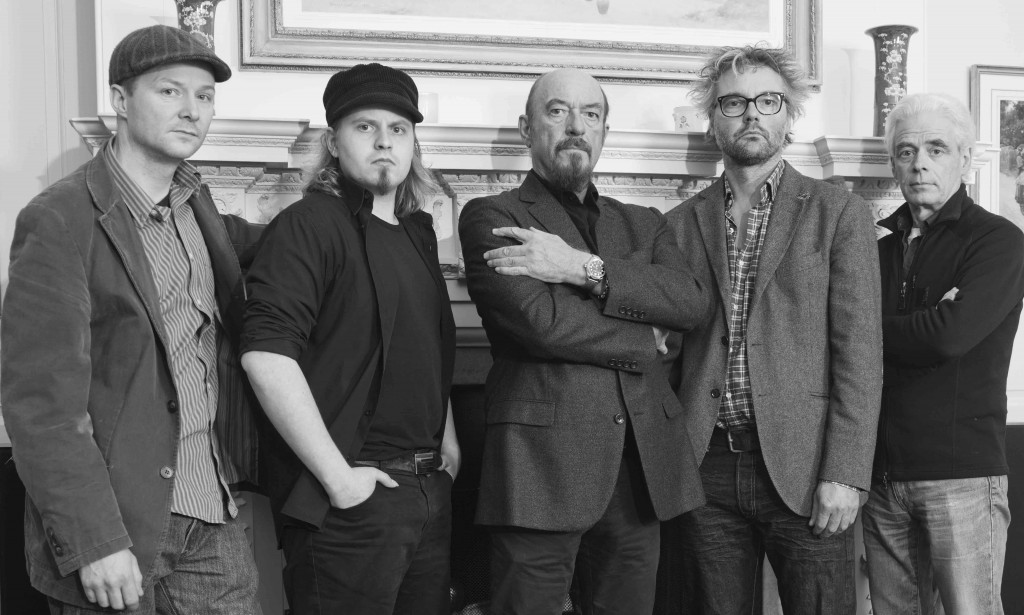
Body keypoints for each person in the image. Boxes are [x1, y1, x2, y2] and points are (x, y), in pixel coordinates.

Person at [1, 25, 262, 614]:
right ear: (120, 100)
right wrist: (94, 542)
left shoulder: (196, 204)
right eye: (170, 91)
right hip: (117, 522)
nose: (192, 110)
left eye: (204, 96)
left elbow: (273, 249)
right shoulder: (59, 219)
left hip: (209, 507)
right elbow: (41, 406)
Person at [458, 67, 710, 615]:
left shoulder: (644, 222)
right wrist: (644, 332)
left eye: (590, 114)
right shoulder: (493, 216)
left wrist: (580, 268)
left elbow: (690, 302)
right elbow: (541, 322)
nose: (576, 126)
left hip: (641, 469)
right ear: (526, 128)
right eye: (557, 111)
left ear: (603, 131)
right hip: (539, 468)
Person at [665, 45, 882, 614]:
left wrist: (846, 473)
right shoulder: (677, 226)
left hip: (806, 468)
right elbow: (667, 354)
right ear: (713, 120)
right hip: (706, 468)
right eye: (733, 103)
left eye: (768, 101)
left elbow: (860, 355)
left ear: (789, 116)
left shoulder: (839, 214)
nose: (751, 115)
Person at [239, 63, 459, 615]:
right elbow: (266, 355)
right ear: (334, 143)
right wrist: (338, 479)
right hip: (349, 501)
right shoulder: (308, 225)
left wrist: (449, 443)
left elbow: (428, 352)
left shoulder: (419, 235)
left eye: (399, 129)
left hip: (428, 492)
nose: (384, 141)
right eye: (365, 127)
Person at [863, 93, 1024, 615]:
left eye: (936, 149)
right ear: (893, 164)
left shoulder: (998, 241)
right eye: (906, 151)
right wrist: (926, 321)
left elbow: (947, 337)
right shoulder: (876, 250)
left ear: (965, 158)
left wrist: (883, 331)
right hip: (881, 479)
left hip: (962, 478)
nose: (919, 164)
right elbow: (841, 337)